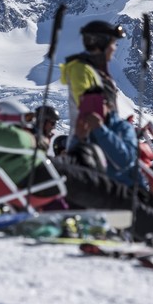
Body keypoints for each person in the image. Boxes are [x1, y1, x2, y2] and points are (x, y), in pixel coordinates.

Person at [0, 77, 153, 243]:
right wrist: (35, 141)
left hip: (29, 175)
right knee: (112, 194)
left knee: (109, 192)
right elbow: (16, 140)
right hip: (34, 175)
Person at [61, 21, 138, 186]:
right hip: (89, 146)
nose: (115, 48)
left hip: (104, 143)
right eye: (112, 43)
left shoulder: (98, 70)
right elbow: (90, 109)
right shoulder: (81, 70)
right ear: (100, 43)